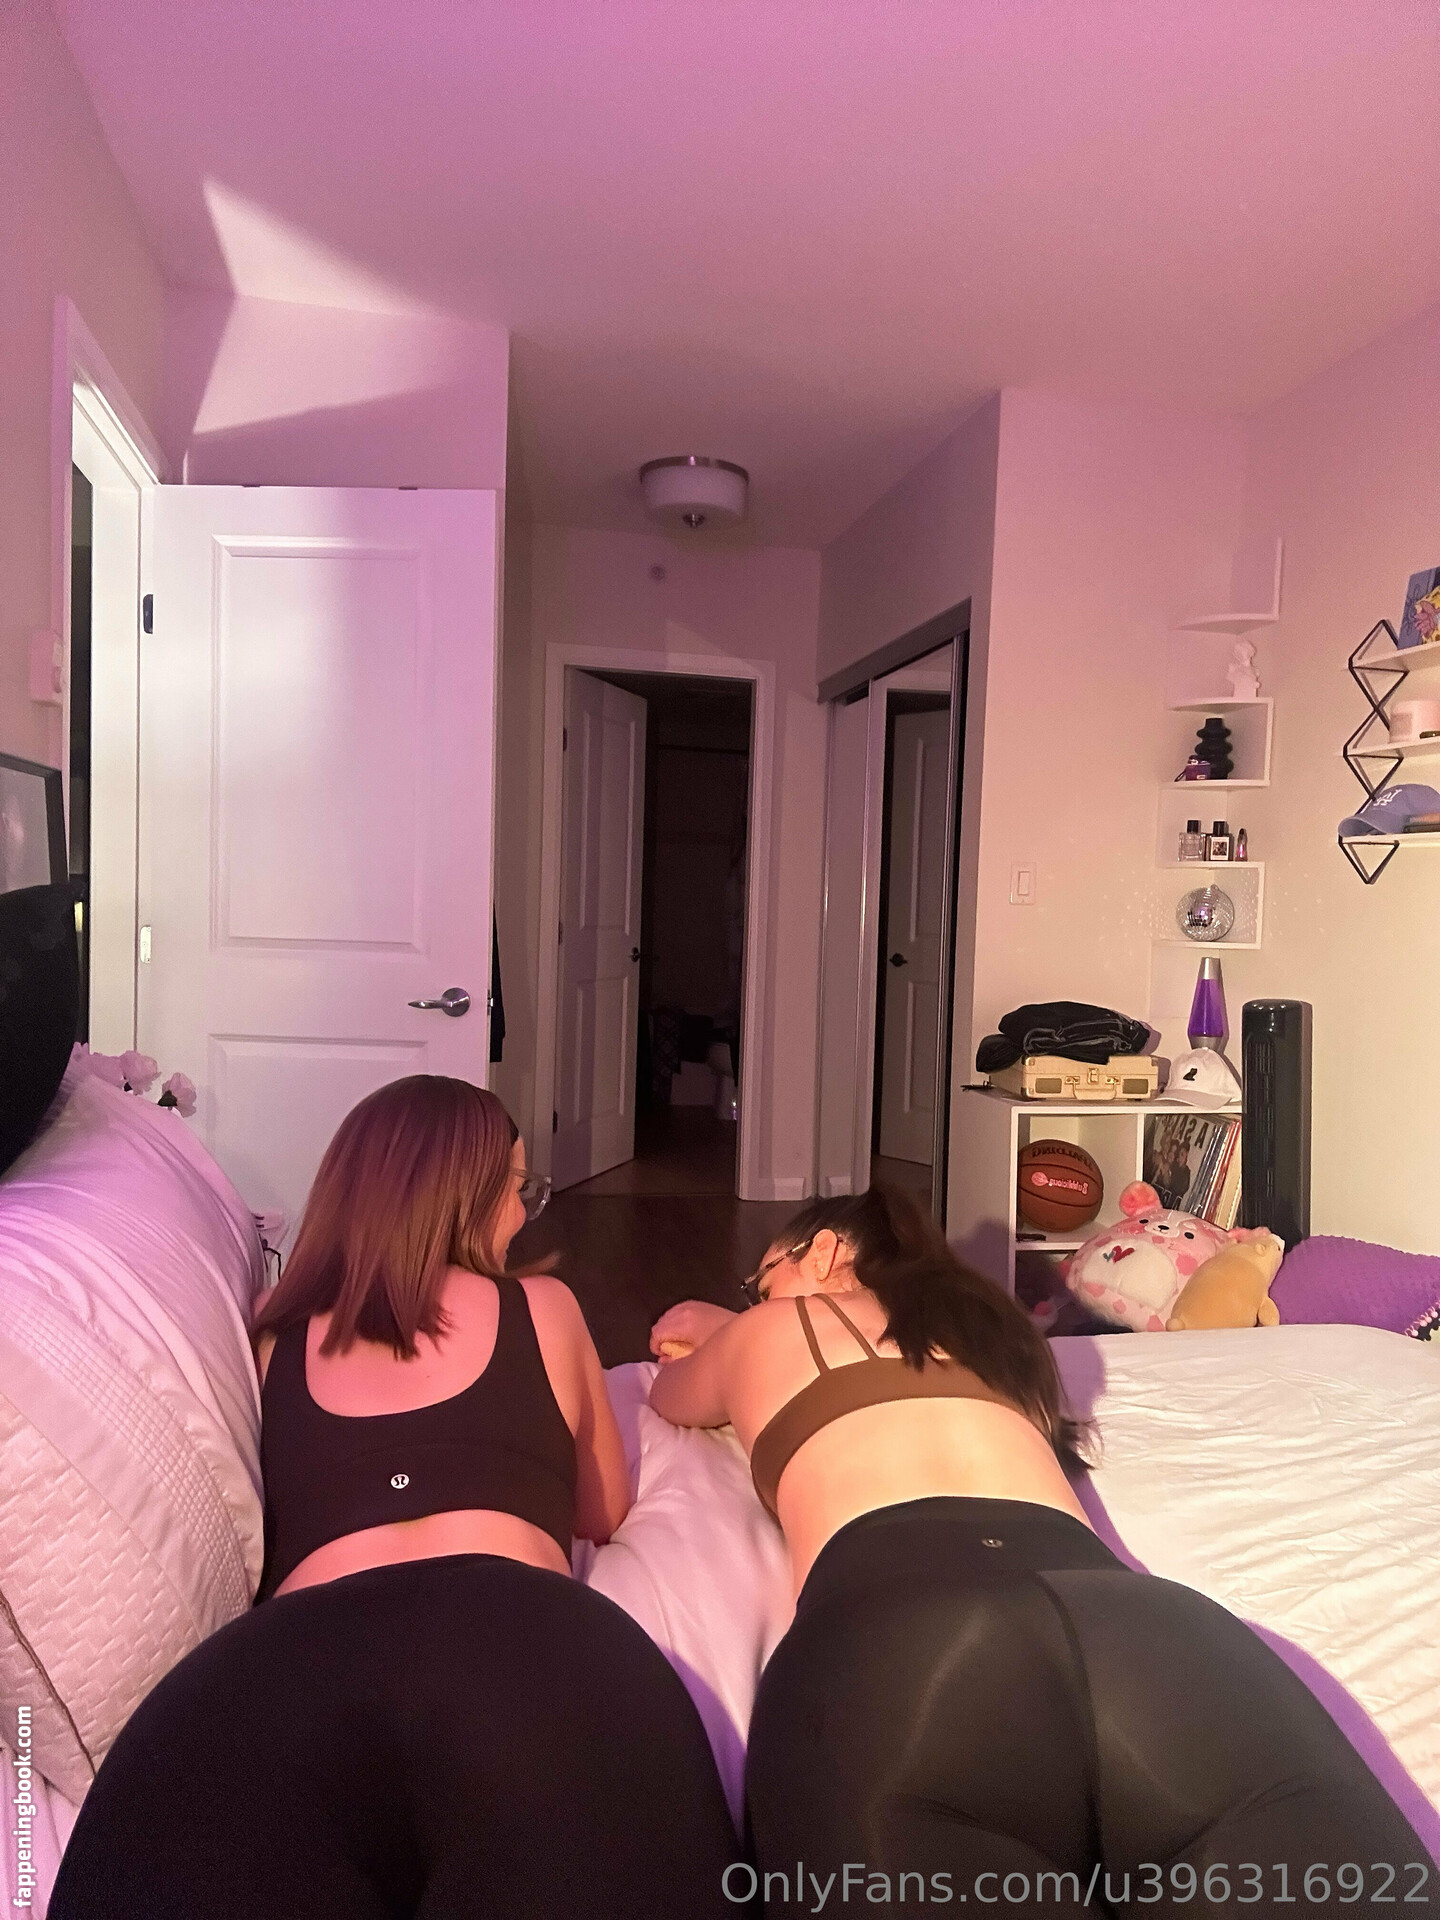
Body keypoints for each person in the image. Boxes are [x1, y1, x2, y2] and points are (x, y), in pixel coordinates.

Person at [52, 1076, 739, 1920]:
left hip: (292, 1660)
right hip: (518, 1635)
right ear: (462, 1198)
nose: (524, 1214)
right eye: (517, 1188)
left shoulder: (272, 1331)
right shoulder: (542, 1307)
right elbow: (601, 1509)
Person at [649, 1186, 1429, 1916]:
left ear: (823, 1253)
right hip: (1147, 1630)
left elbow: (669, 1390)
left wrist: (723, 1327)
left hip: (895, 1642)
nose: (755, 1301)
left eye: (761, 1281)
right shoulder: (996, 1335)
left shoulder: (760, 1332)